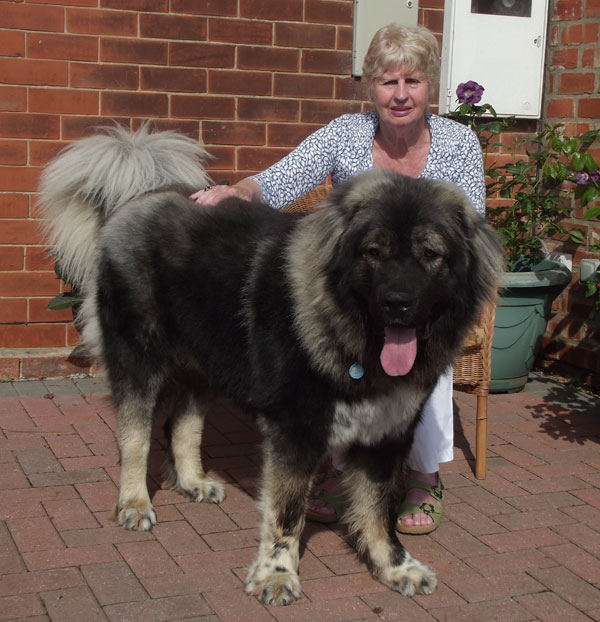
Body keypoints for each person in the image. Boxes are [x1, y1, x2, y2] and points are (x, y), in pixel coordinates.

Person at [191, 23, 486, 534]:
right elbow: (285, 177)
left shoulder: (459, 143)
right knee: (323, 339)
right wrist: (238, 190)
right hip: (364, 285)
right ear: (369, 86)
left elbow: (471, 231)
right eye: (387, 81)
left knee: (422, 343)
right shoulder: (345, 134)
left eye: (412, 81)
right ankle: (341, 465)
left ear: (429, 87)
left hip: (426, 286)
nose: (400, 96)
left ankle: (423, 474)